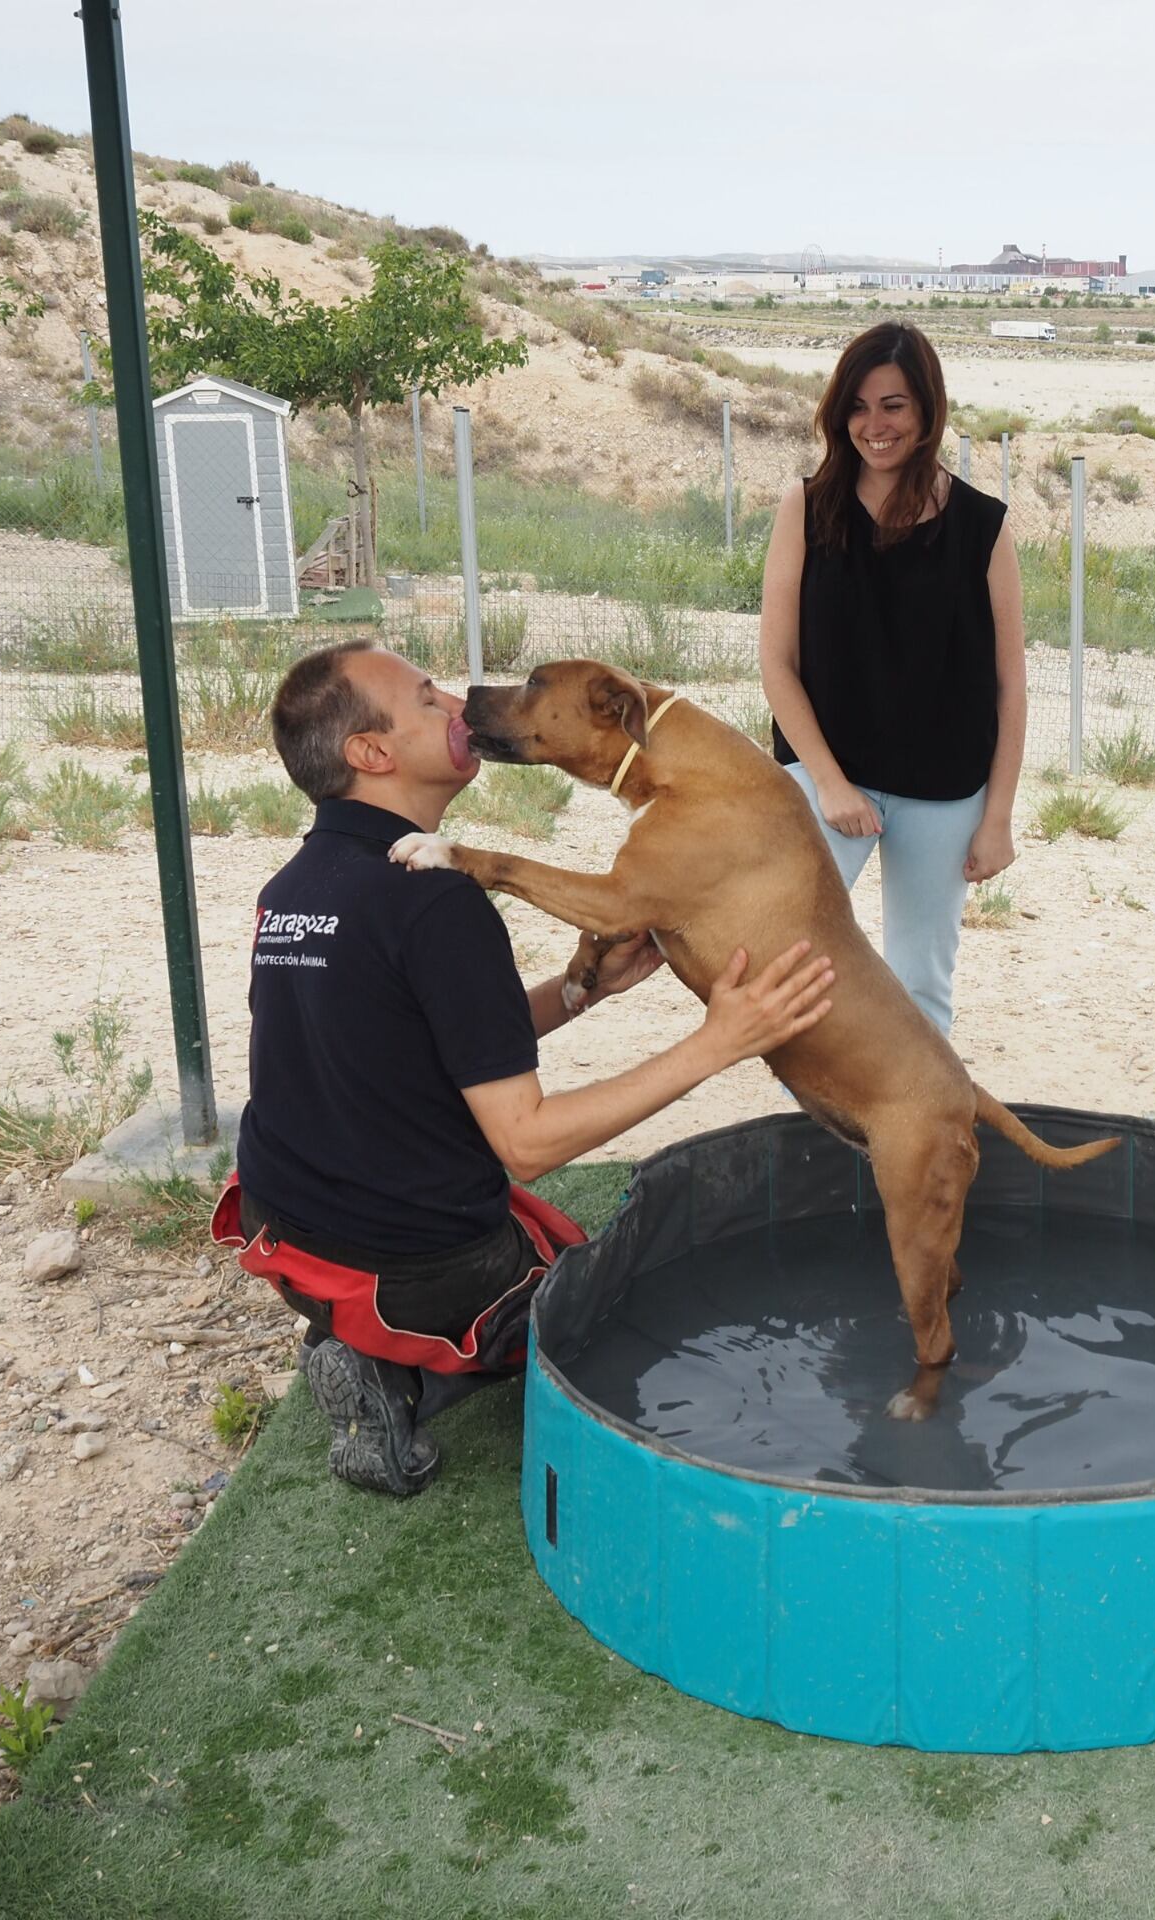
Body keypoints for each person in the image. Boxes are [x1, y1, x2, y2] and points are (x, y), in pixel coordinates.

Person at [229, 640, 835, 1495]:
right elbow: (527, 1144)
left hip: (283, 1224)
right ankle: (408, 1376)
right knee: (615, 1287)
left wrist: (581, 992)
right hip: (421, 1267)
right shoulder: (439, 903)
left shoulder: (293, 889)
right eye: (427, 698)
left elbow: (410, 1038)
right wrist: (719, 1042)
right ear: (372, 753)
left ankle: (346, 1336)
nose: (457, 704)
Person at [759, 321, 1025, 1034]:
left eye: (894, 405)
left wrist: (996, 817)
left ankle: (919, 1141)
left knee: (920, 983)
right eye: (858, 406)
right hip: (825, 779)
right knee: (796, 966)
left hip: (945, 792)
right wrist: (831, 783)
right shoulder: (807, 507)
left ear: (927, 411)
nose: (873, 426)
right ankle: (809, 1135)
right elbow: (777, 666)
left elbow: (1009, 687)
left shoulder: (982, 527)